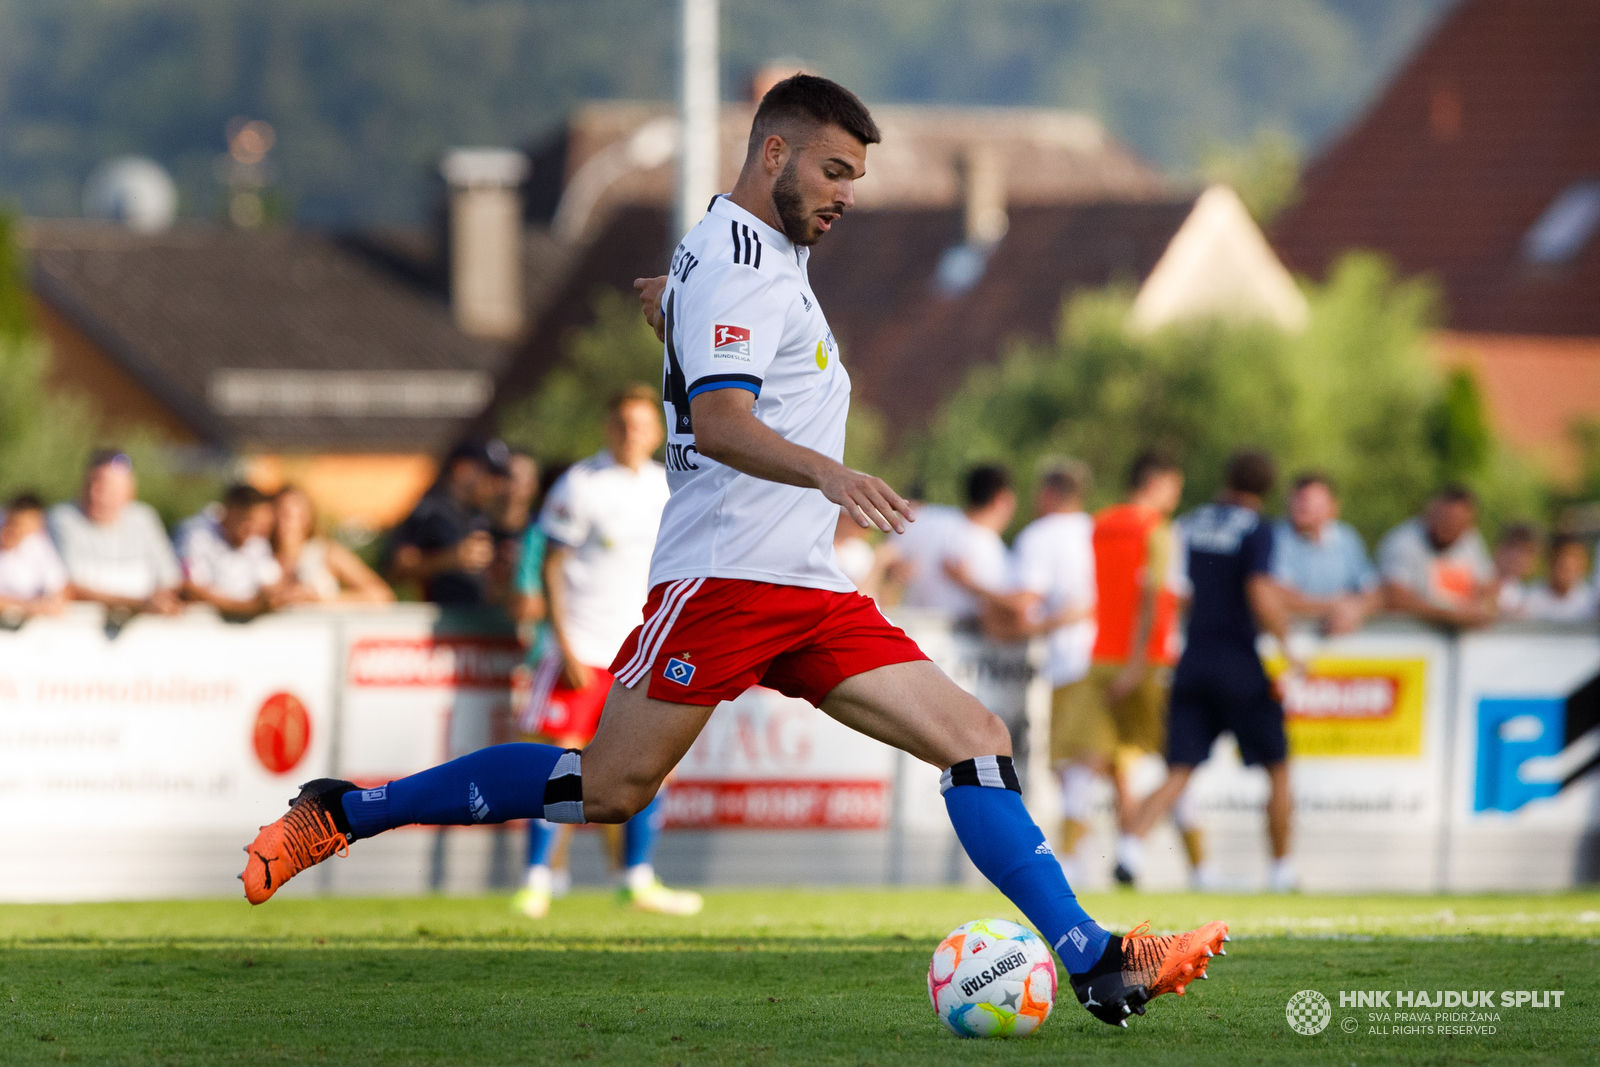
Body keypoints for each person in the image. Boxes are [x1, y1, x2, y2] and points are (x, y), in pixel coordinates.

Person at [239, 74, 1226, 1028]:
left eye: (855, 178)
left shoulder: (745, 254)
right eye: (836, 172)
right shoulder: (743, 261)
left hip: (803, 583)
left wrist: (676, 319)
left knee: (977, 737)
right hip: (725, 579)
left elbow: (721, 360)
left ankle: (1092, 956)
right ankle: (347, 810)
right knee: (605, 787)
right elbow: (718, 420)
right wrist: (827, 473)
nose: (846, 196)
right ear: (774, 152)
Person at [513, 385, 699, 918]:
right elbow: (550, 566)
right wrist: (564, 644)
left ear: (657, 431)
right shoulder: (581, 483)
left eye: (641, 424)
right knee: (558, 763)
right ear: (607, 426)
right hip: (583, 649)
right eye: (622, 423)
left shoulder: (668, 487)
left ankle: (636, 879)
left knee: (652, 766)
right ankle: (537, 880)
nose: (631, 432)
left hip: (639, 654)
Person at [1125, 450, 1303, 893]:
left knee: (1179, 768)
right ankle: (1281, 871)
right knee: (1278, 768)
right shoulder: (1259, 529)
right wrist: (1289, 647)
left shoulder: (1188, 523)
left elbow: (1175, 593)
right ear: (1265, 491)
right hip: (1240, 661)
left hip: (1194, 658)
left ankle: (1129, 848)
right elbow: (1260, 591)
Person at [1057, 450, 1202, 887]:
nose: (1175, 496)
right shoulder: (1157, 530)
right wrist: (1138, 663)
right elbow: (1154, 597)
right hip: (1147, 662)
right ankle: (1201, 868)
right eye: (1173, 486)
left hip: (1100, 657)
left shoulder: (1098, 525)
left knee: (1098, 763)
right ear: (1156, 481)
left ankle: (1070, 860)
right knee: (1178, 764)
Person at [1004, 462, 1099, 881]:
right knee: (1104, 760)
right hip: (1112, 656)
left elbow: (1025, 605)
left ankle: (1076, 857)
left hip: (1069, 659)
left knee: (1073, 759)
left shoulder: (1040, 537)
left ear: (1048, 494)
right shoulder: (1098, 530)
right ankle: (1123, 851)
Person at [48, 449, 182, 618]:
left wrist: (160, 602)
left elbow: (169, 580)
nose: (94, 493)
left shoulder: (144, 519)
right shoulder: (62, 519)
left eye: (104, 486)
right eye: (90, 483)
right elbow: (68, 586)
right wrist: (139, 604)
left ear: (129, 492)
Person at [384, 439, 512, 605]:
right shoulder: (430, 511)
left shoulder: (481, 514)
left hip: (481, 622)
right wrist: (450, 559)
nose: (495, 485)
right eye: (489, 475)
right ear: (462, 469)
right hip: (442, 624)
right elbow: (396, 568)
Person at [894, 465, 1016, 625]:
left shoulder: (923, 518)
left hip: (908, 629)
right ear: (1002, 499)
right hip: (962, 641)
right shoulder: (996, 554)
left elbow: (891, 562)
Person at [1272, 472, 1382, 634]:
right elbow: (1277, 596)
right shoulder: (1275, 538)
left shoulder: (1346, 538)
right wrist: (1334, 606)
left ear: (1333, 506)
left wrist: (1356, 610)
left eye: (1309, 501)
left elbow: (1373, 590)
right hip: (1286, 642)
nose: (1301, 505)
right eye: (1298, 499)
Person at [1377, 484, 1497, 628]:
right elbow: (1394, 596)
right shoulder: (1402, 541)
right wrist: (1453, 616)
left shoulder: (1471, 541)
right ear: (1430, 513)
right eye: (1445, 520)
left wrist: (1482, 608)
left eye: (1458, 524)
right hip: (1410, 636)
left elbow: (1487, 589)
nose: (1449, 528)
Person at [270, 486, 394, 604]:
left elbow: (381, 595)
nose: (286, 523)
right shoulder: (262, 554)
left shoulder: (327, 553)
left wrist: (322, 600)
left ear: (308, 518)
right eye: (281, 514)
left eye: (294, 516)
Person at [175, 483, 283, 618]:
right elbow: (190, 588)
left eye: (261, 524)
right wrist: (246, 608)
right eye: (250, 521)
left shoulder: (257, 540)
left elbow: (270, 584)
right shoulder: (195, 534)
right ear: (231, 511)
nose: (255, 530)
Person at [0, 493, 68, 620]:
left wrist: (49, 603)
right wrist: (28, 606)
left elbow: (59, 589)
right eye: (14, 523)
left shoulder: (37, 545)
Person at [1523, 534, 1597, 623]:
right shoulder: (1528, 599)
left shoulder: (1593, 602)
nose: (1568, 565)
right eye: (1563, 558)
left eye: (1574, 558)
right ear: (1550, 560)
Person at [1490, 523, 1540, 618]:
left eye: (1526, 552)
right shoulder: (1476, 576)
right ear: (1497, 548)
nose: (1518, 557)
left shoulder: (1524, 596)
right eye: (1512, 547)